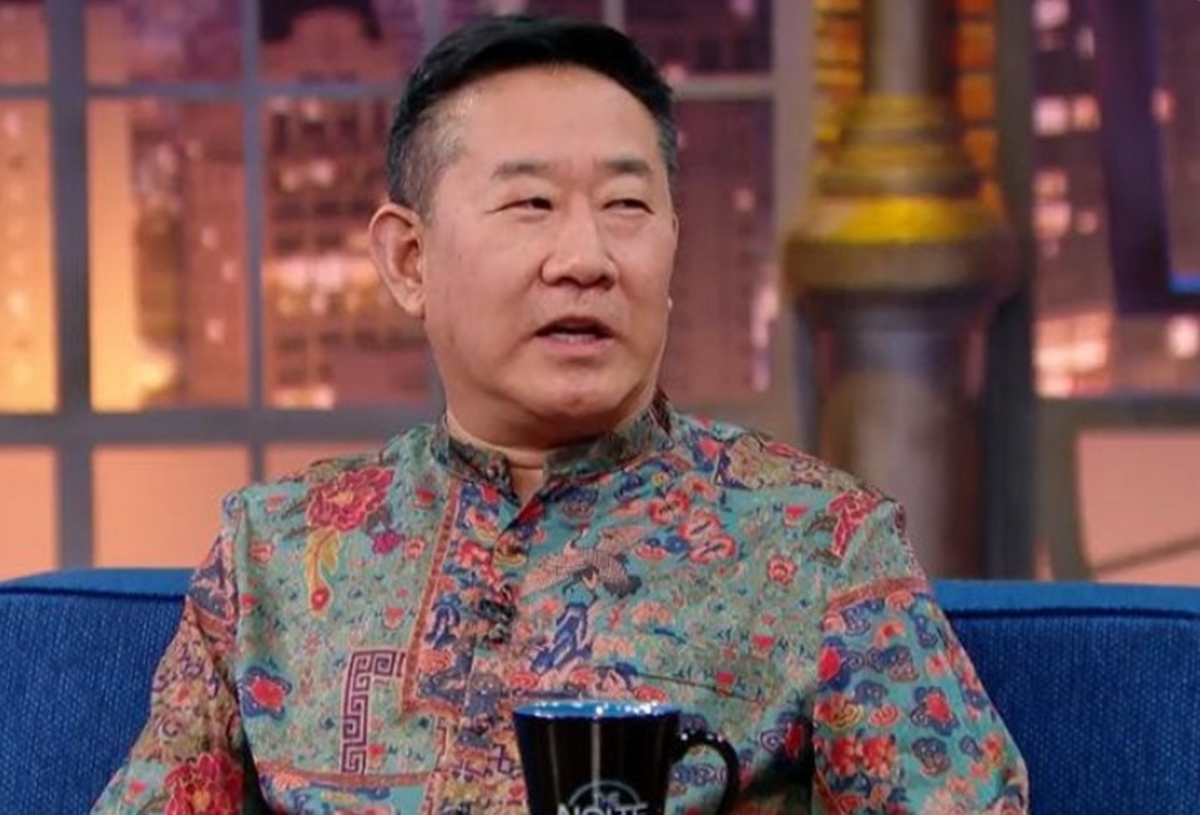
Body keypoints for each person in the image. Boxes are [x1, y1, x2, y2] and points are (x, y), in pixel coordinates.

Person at [93, 14, 1028, 814]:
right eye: (531, 203)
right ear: (410, 261)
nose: (586, 258)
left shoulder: (823, 545)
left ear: (672, 242)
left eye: (626, 204)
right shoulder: (272, 556)